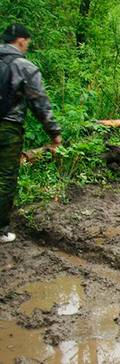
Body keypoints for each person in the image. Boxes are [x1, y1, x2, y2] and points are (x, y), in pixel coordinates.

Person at [0, 24, 61, 244]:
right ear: (21, 41)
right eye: (27, 42)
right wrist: (53, 132)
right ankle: (1, 230)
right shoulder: (24, 66)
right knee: (6, 177)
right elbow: (39, 102)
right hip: (9, 126)